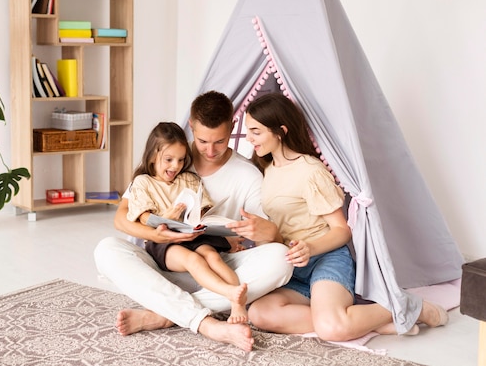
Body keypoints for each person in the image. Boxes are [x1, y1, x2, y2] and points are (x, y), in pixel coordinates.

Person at [230, 92, 449, 341]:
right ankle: (366, 320)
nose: (249, 138)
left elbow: (341, 229)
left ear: (280, 131)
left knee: (332, 329)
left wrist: (309, 247)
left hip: (326, 258)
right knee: (259, 313)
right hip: (292, 265)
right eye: (248, 130)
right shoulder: (265, 170)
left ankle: (409, 306)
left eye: (256, 131)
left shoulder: (311, 171)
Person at [94, 91, 293, 352]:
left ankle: (165, 313)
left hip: (216, 264)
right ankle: (206, 323)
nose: (210, 150)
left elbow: (265, 238)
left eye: (219, 142)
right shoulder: (170, 156)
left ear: (233, 127)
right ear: (191, 126)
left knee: (281, 258)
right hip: (164, 260)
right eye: (202, 141)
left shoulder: (248, 175)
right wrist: (157, 236)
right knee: (106, 250)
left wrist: (270, 233)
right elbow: (121, 219)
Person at [127, 121, 249, 324]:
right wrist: (167, 216)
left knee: (212, 256)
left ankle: (238, 303)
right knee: (194, 261)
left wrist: (204, 219)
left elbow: (202, 212)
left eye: (181, 160)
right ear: (152, 156)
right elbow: (144, 218)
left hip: (191, 234)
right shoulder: (143, 183)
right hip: (163, 242)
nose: (175, 166)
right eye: (168, 159)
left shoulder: (189, 179)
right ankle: (231, 292)